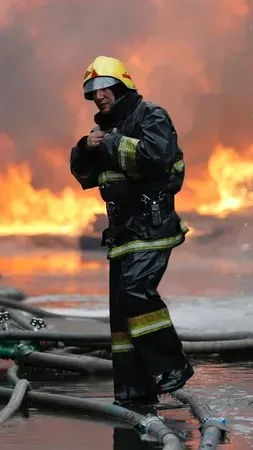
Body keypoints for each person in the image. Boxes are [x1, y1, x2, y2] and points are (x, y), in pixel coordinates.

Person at [69, 55, 194, 407]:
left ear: (121, 84)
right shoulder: (106, 130)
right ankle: (133, 390)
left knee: (136, 293)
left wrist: (109, 143)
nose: (98, 96)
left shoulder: (150, 115)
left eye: (103, 87)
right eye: (92, 91)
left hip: (152, 226)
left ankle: (172, 366)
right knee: (122, 315)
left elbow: (156, 158)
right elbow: (85, 176)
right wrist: (85, 148)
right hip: (122, 232)